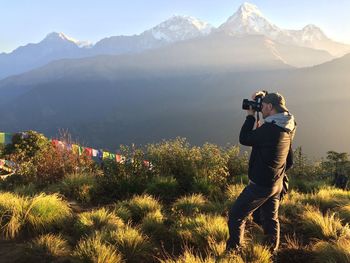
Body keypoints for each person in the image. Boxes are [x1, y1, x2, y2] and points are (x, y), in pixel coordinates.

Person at [226, 91, 296, 253]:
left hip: (261, 185)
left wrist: (250, 116)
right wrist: (263, 95)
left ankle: (233, 252)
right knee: (270, 219)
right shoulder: (288, 123)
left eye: (263, 106)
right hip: (276, 182)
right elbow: (287, 159)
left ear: (270, 107)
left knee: (236, 216)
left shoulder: (270, 130)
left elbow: (244, 138)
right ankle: (272, 252)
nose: (260, 109)